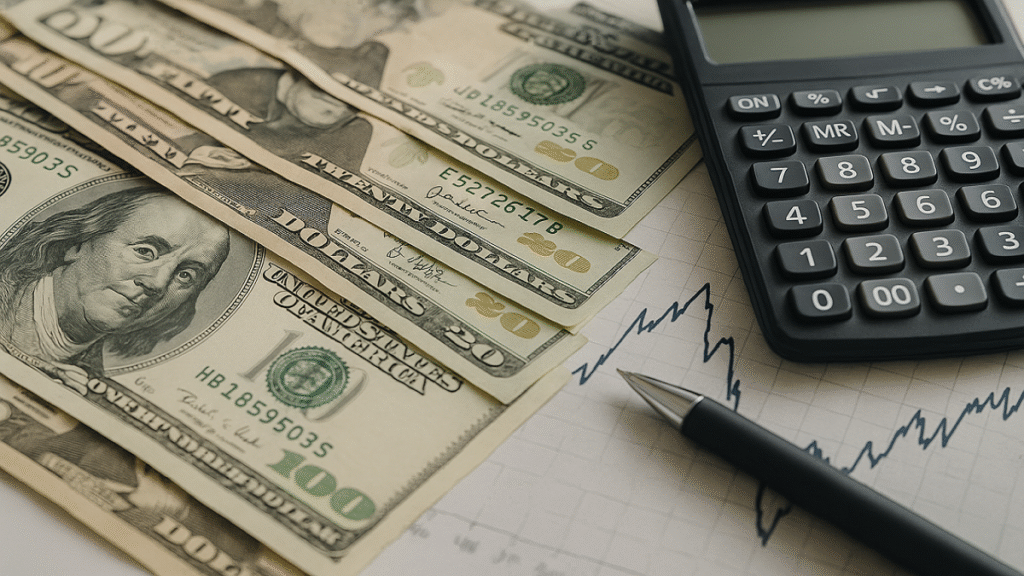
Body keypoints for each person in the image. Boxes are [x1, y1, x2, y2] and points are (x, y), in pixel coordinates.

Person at [0, 188, 230, 383]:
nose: (157, 283)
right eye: (145, 252)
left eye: (186, 275)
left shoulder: (93, 383)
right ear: (78, 244)